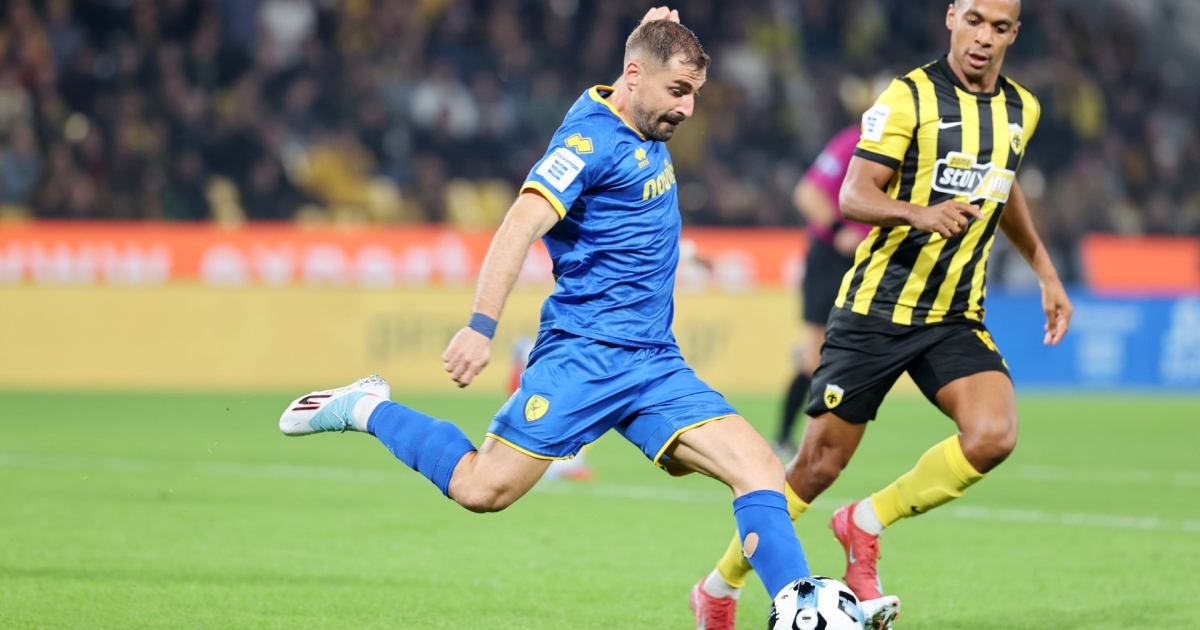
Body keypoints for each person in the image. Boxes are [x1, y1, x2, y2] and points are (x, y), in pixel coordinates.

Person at [279, 9, 900, 627]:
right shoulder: (586, 144)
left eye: (694, 93)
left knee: (759, 467)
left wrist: (654, 29)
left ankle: (801, 606)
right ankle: (365, 407)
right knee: (480, 490)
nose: (687, 109)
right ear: (635, 75)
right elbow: (518, 225)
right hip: (584, 357)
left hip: (654, 362)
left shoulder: (642, 115)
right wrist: (480, 325)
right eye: (678, 91)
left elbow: (625, 206)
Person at [690, 0, 1073, 621]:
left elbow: (1005, 188)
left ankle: (864, 522)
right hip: (877, 309)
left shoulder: (1020, 108)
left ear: (1014, 34)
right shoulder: (909, 97)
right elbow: (853, 194)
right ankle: (718, 586)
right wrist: (920, 214)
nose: (984, 37)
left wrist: (1046, 272)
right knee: (817, 466)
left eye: (1000, 28)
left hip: (952, 315)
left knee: (993, 435)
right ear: (951, 17)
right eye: (974, 20)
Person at [773, 125, 872, 459]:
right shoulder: (855, 141)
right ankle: (788, 438)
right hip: (832, 258)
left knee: (853, 354)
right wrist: (840, 229)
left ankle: (821, 437)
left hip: (872, 259)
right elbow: (807, 193)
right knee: (816, 355)